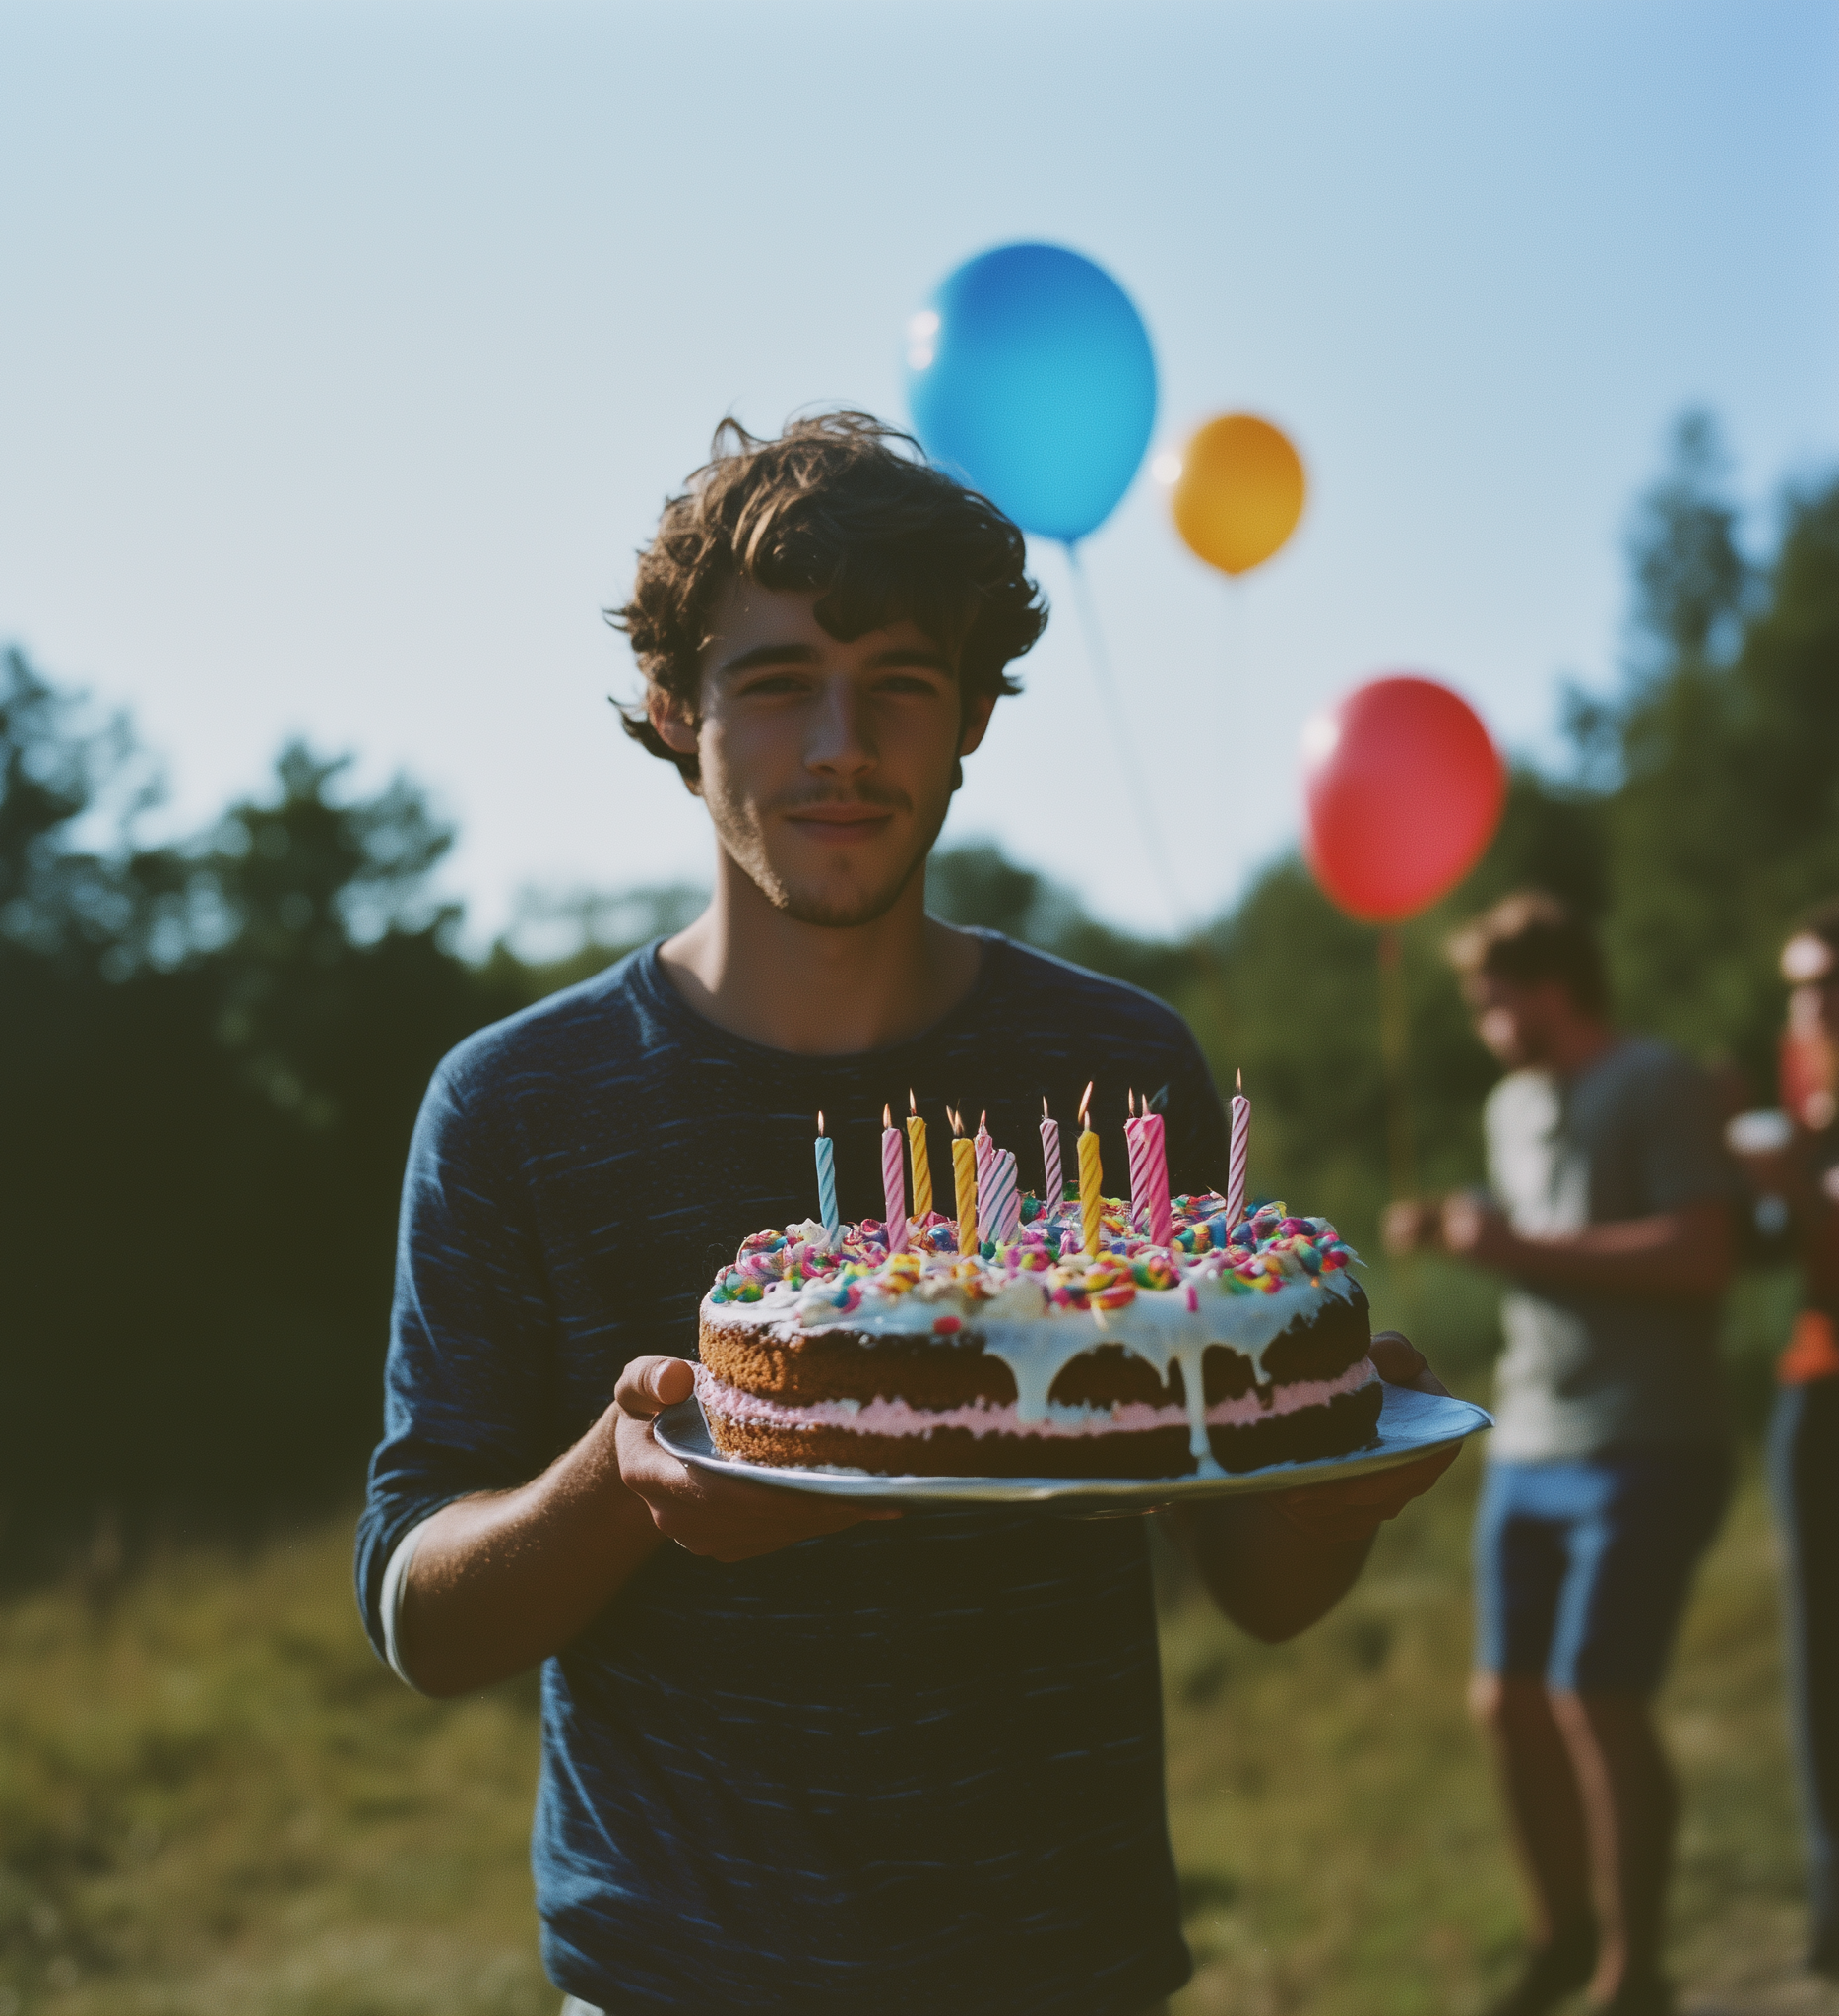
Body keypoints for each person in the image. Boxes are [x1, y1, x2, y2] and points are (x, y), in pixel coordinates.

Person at [355, 412, 1460, 2016]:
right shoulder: (517, 1102)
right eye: (777, 678)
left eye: (900, 682)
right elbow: (419, 1617)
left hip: (1057, 1961)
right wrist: (624, 1477)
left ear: (968, 724)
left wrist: (1331, 1490)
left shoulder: (1114, 1065)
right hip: (678, 1965)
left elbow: (1255, 1586)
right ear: (676, 708)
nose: (839, 744)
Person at [1384, 892, 1737, 2016]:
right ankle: (1558, 1938)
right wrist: (1459, 1234)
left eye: (1491, 1001)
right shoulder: (1506, 1106)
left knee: (1595, 1690)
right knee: (1507, 1701)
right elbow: (1533, 1244)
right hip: (1528, 1434)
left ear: (1546, 988)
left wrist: (1514, 1243)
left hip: (1646, 1435)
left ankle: (1637, 1973)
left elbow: (1699, 1256)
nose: (1483, 1022)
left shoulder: (1658, 1083)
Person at [1729, 902, 1839, 1980]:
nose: (1805, 1009)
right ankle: (1828, 1900)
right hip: (1816, 1390)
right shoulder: (1801, 1099)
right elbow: (1778, 1250)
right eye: (1798, 989)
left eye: (1823, 985)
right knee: (1820, 1657)